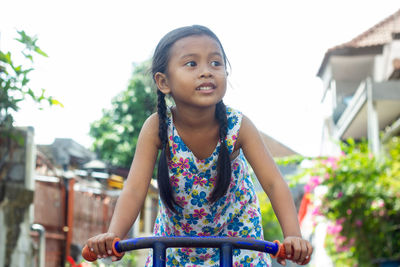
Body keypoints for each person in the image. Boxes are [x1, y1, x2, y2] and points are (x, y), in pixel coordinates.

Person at [85, 25, 313, 266]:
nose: (207, 72)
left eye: (215, 63)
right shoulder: (157, 127)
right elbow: (134, 188)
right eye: (192, 64)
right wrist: (114, 234)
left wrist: (293, 236)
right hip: (175, 245)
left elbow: (273, 183)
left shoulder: (239, 126)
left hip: (238, 241)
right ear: (163, 82)